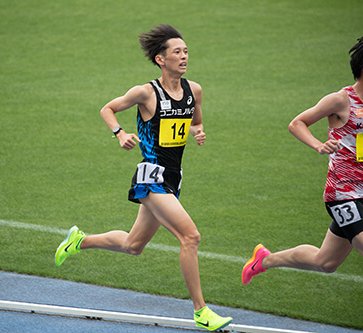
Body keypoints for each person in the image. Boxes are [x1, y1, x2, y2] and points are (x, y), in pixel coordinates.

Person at [54, 24, 232, 331]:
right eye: (177, 52)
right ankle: (201, 311)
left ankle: (79, 240)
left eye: (186, 51)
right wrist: (119, 132)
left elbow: (194, 119)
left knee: (133, 245)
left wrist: (197, 131)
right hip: (151, 177)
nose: (184, 56)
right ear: (161, 59)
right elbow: (107, 109)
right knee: (191, 237)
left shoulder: (195, 90)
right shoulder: (146, 93)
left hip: (174, 178)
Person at [242, 35, 363, 318]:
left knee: (326, 261)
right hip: (342, 195)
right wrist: (318, 145)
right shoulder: (341, 100)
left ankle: (264, 260)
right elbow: (297, 123)